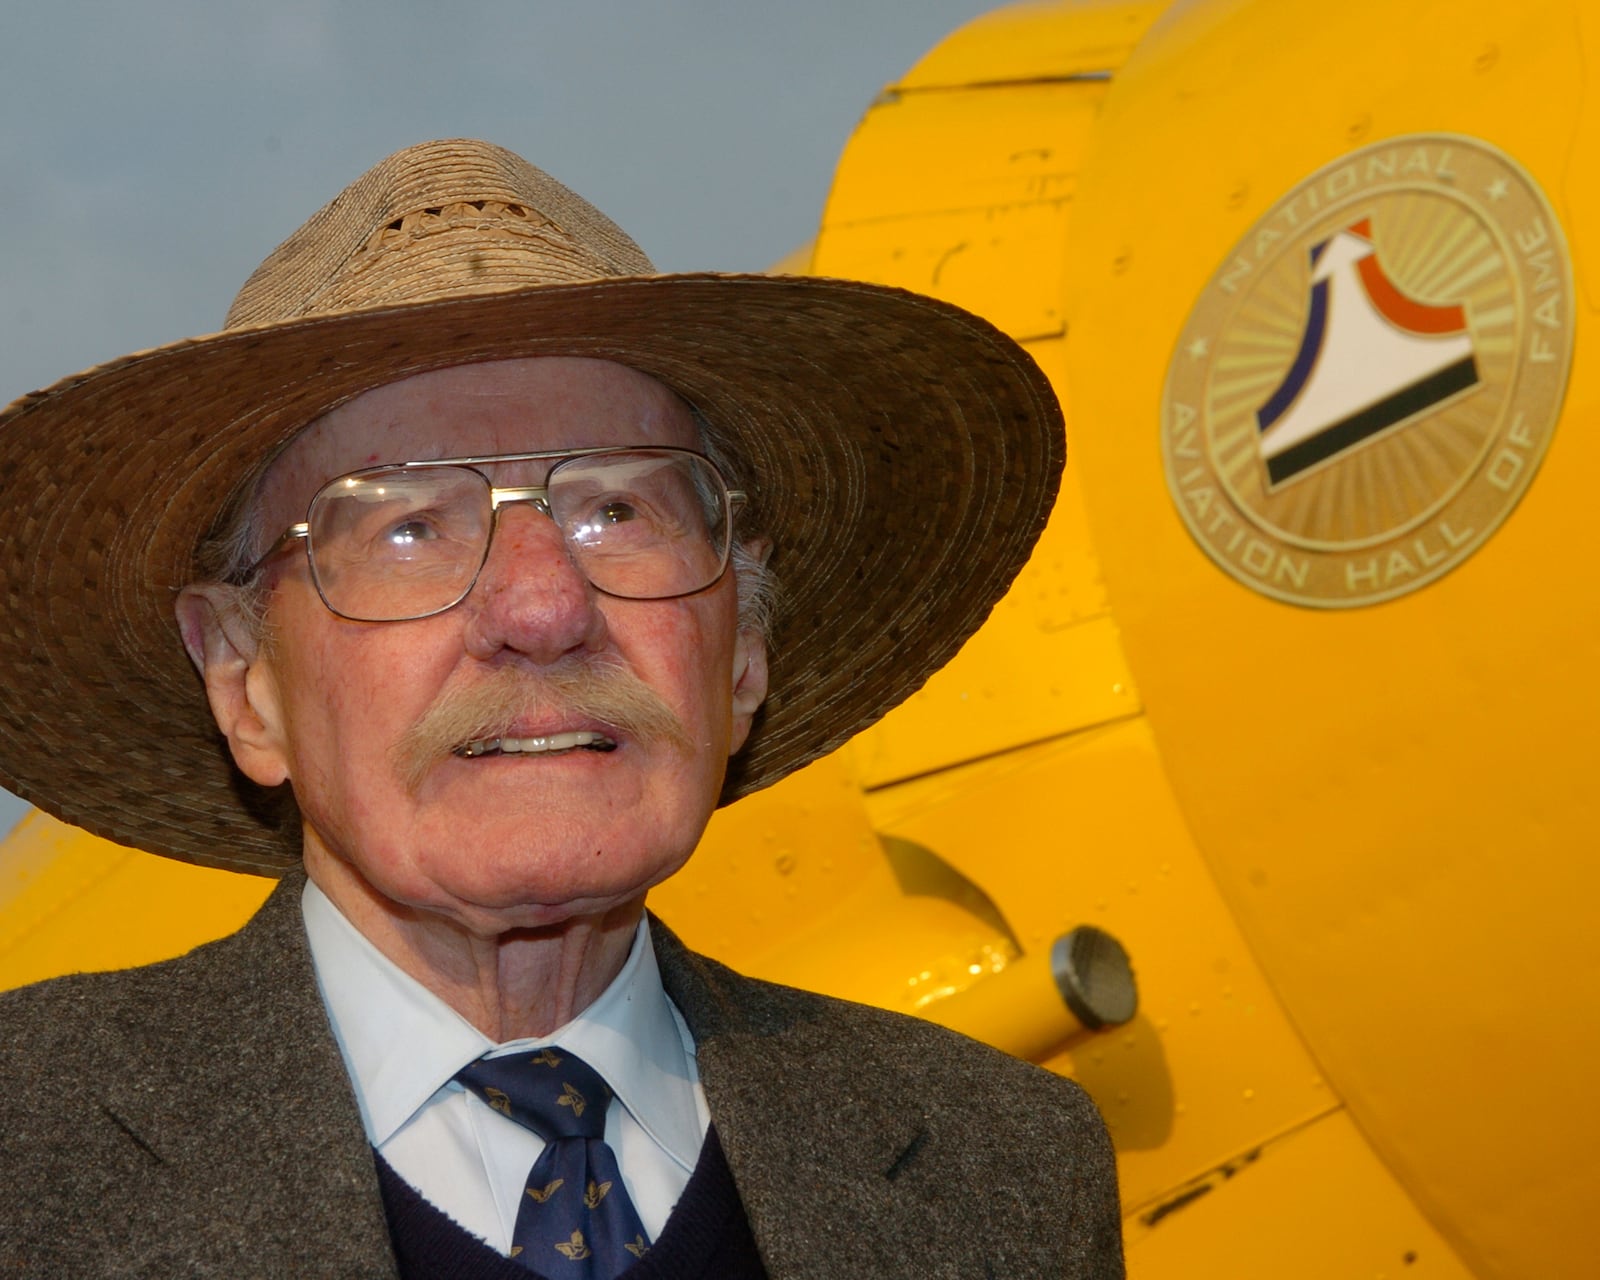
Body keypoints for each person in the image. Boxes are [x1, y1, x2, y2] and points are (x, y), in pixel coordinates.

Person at [0, 139, 1123, 1278]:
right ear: (245, 678)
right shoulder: (28, 1158)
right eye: (409, 526)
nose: (542, 606)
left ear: (741, 656)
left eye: (620, 510)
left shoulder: (1010, 1172)